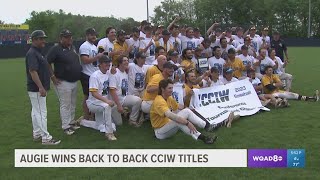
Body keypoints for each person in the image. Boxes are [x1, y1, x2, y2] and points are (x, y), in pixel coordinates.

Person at [150, 79, 218, 144]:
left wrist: (192, 110)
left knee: (186, 111)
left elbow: (179, 106)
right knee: (178, 121)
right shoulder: (159, 101)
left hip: (168, 126)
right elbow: (170, 115)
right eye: (169, 88)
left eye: (172, 88)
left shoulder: (168, 97)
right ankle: (204, 138)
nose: (171, 90)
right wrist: (187, 123)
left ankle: (207, 126)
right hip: (160, 132)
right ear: (162, 89)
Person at [25, 30, 61, 145]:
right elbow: (33, 71)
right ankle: (46, 138)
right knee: (41, 112)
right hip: (36, 88)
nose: (43, 41)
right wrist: (40, 87)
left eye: (43, 38)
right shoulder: (32, 53)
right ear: (34, 40)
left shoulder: (38, 52)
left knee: (36, 111)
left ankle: (37, 133)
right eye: (40, 39)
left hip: (37, 88)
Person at [47, 29, 82, 135]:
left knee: (72, 103)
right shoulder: (56, 49)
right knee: (65, 104)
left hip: (74, 80)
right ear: (61, 38)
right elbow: (47, 62)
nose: (69, 39)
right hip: (63, 81)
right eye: (66, 37)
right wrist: (52, 77)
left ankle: (71, 122)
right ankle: (66, 126)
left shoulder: (72, 47)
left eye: (70, 36)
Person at [81, 55, 118, 141]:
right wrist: (107, 101)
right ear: (100, 64)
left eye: (109, 63)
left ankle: (83, 122)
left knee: (101, 125)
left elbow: (112, 83)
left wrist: (112, 72)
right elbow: (94, 93)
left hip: (102, 101)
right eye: (105, 62)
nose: (108, 64)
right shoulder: (95, 76)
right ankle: (109, 133)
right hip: (93, 102)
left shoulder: (108, 73)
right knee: (107, 107)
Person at [109, 56, 143, 127]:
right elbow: (112, 91)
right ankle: (111, 112)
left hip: (124, 97)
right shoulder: (114, 73)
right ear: (119, 63)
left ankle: (132, 120)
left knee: (138, 100)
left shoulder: (124, 72)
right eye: (124, 61)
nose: (127, 62)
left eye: (127, 60)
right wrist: (118, 105)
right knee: (118, 123)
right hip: (115, 101)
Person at [79, 28, 103, 122]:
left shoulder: (93, 46)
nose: (94, 36)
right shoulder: (84, 46)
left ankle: (92, 116)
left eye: (95, 35)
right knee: (87, 96)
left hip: (93, 74)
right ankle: (86, 116)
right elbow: (85, 60)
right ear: (87, 35)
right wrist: (97, 57)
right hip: (86, 74)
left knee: (94, 96)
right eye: (92, 35)